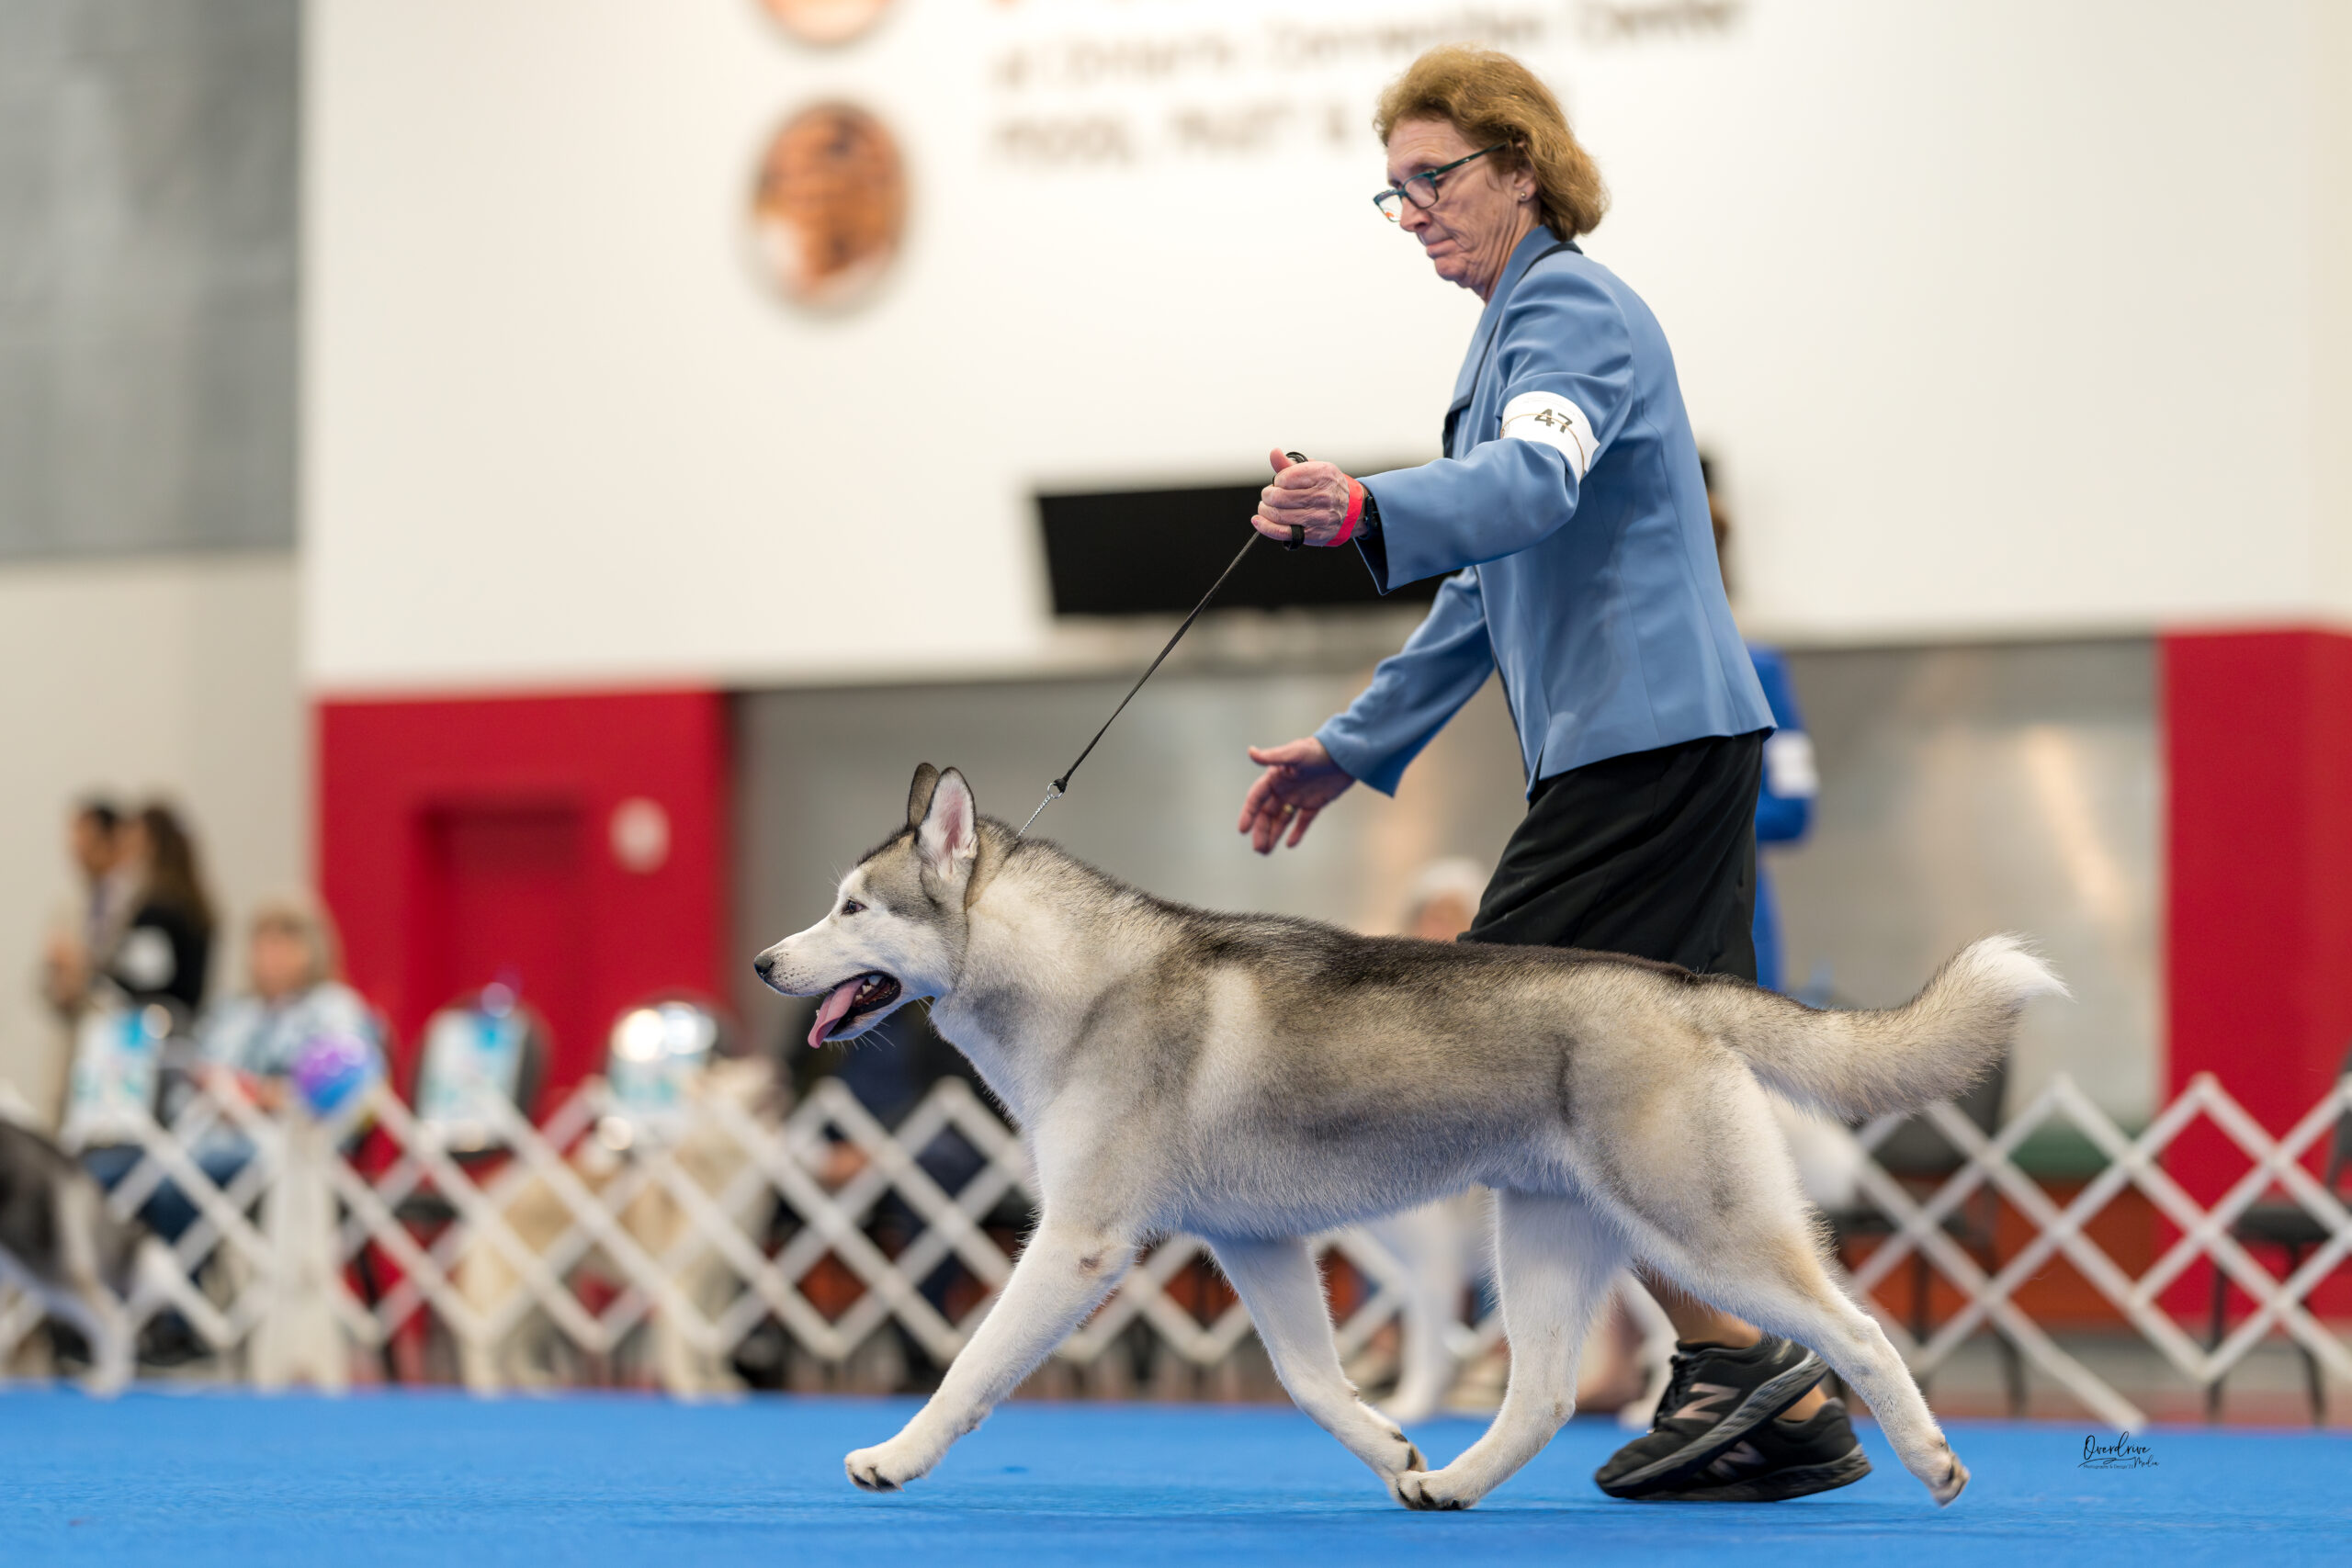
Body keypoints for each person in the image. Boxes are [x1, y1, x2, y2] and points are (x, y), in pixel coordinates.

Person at [1234, 46, 1864, 1501]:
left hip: (1645, 750)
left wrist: (1362, 506)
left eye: (1437, 179)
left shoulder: (1568, 308)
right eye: (1394, 194)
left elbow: (1533, 485)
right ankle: (1779, 1403)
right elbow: (1479, 590)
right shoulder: (1510, 330)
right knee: (1607, 1084)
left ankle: (1743, 1354)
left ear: (1522, 167)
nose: (1418, 214)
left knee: (1510, 1060)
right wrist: (1351, 745)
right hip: (1638, 751)